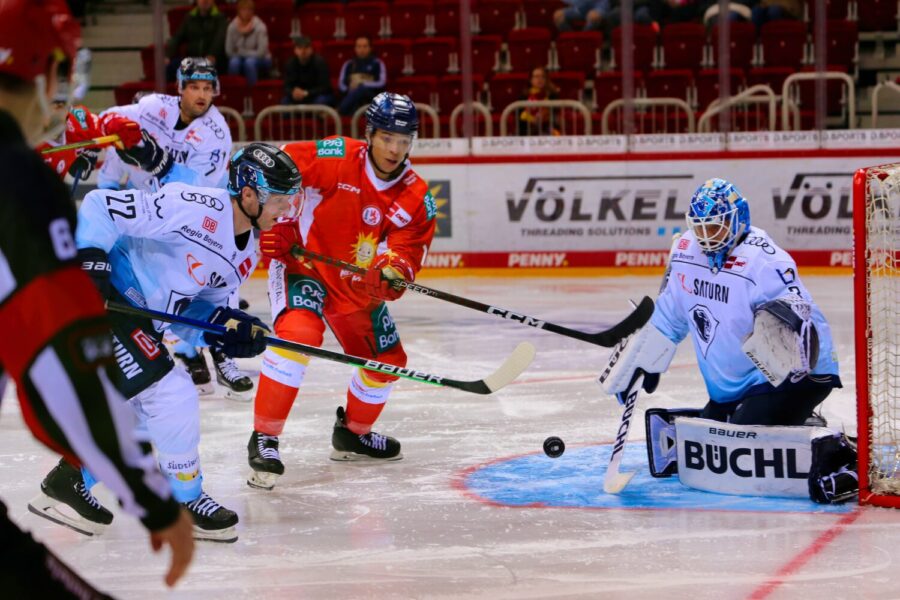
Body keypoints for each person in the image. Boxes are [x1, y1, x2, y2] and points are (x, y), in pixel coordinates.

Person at [0, 0, 193, 594]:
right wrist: (150, 497)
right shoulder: (18, 182)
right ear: (39, 73)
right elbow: (61, 364)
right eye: (62, 74)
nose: (65, 95)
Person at [31, 143, 301, 543]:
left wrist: (226, 329)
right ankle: (183, 499)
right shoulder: (197, 207)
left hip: (136, 318)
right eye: (279, 200)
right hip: (102, 300)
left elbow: (193, 314)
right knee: (170, 392)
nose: (285, 211)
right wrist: (90, 265)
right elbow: (99, 206)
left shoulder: (248, 253)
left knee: (143, 413)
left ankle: (68, 481)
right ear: (248, 194)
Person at [600, 179, 852, 503]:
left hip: (793, 376)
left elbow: (804, 318)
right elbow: (670, 316)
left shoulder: (764, 260)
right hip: (733, 386)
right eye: (701, 229)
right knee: (709, 446)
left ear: (738, 219)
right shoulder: (686, 252)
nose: (707, 238)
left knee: (737, 449)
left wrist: (788, 331)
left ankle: (838, 455)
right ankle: (796, 422)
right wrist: (645, 358)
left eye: (716, 228)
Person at [245, 92, 435, 490]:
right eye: (387, 138)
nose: (395, 149)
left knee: (385, 361)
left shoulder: (416, 196)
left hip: (355, 284)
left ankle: (353, 434)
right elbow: (278, 166)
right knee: (299, 335)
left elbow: (408, 249)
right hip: (304, 267)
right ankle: (265, 438)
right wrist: (277, 223)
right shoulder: (336, 156)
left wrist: (392, 273)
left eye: (404, 140)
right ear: (370, 134)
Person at [96, 58, 251, 398]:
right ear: (179, 87)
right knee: (164, 292)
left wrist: (155, 159)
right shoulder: (152, 106)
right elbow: (106, 120)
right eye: (194, 86)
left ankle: (223, 356)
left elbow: (196, 191)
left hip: (199, 217)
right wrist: (102, 129)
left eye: (208, 88)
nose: (201, 95)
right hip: (153, 215)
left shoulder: (216, 132)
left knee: (213, 285)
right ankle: (188, 355)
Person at [166, 0, 227, 81]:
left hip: (213, 60)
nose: (205, 1)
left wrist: (212, 54)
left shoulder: (220, 18)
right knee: (170, 67)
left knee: (201, 69)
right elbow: (177, 37)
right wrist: (168, 55)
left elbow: (219, 40)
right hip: (192, 59)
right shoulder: (189, 17)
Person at [226, 0, 272, 86]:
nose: (246, 13)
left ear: (253, 11)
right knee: (234, 62)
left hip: (262, 59)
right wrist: (242, 53)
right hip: (239, 57)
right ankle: (235, 93)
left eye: (249, 10)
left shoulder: (260, 27)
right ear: (238, 11)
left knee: (249, 62)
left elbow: (261, 53)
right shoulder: (232, 27)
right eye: (243, 10)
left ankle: (252, 93)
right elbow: (229, 51)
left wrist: (241, 51)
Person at [337, 36, 387, 116]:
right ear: (355, 48)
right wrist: (348, 88)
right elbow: (341, 84)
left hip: (372, 98)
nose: (362, 49)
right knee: (355, 95)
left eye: (365, 46)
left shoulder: (377, 63)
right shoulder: (348, 64)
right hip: (352, 97)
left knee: (361, 89)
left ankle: (340, 110)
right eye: (359, 46)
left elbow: (382, 82)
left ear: (370, 48)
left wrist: (362, 84)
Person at [282, 35, 334, 106]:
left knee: (321, 100)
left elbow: (325, 87)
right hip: (298, 96)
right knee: (285, 101)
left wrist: (306, 93)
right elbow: (286, 87)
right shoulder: (290, 64)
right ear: (295, 50)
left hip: (316, 95)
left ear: (311, 50)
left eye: (306, 48)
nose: (303, 51)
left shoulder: (319, 62)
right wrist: (292, 92)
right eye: (300, 48)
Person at [518, 66, 560, 136]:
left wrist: (545, 116)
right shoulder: (523, 96)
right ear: (530, 80)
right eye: (536, 76)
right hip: (528, 131)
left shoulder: (553, 95)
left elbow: (555, 114)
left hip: (549, 130)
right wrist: (532, 119)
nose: (540, 79)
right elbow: (520, 118)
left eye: (543, 77)